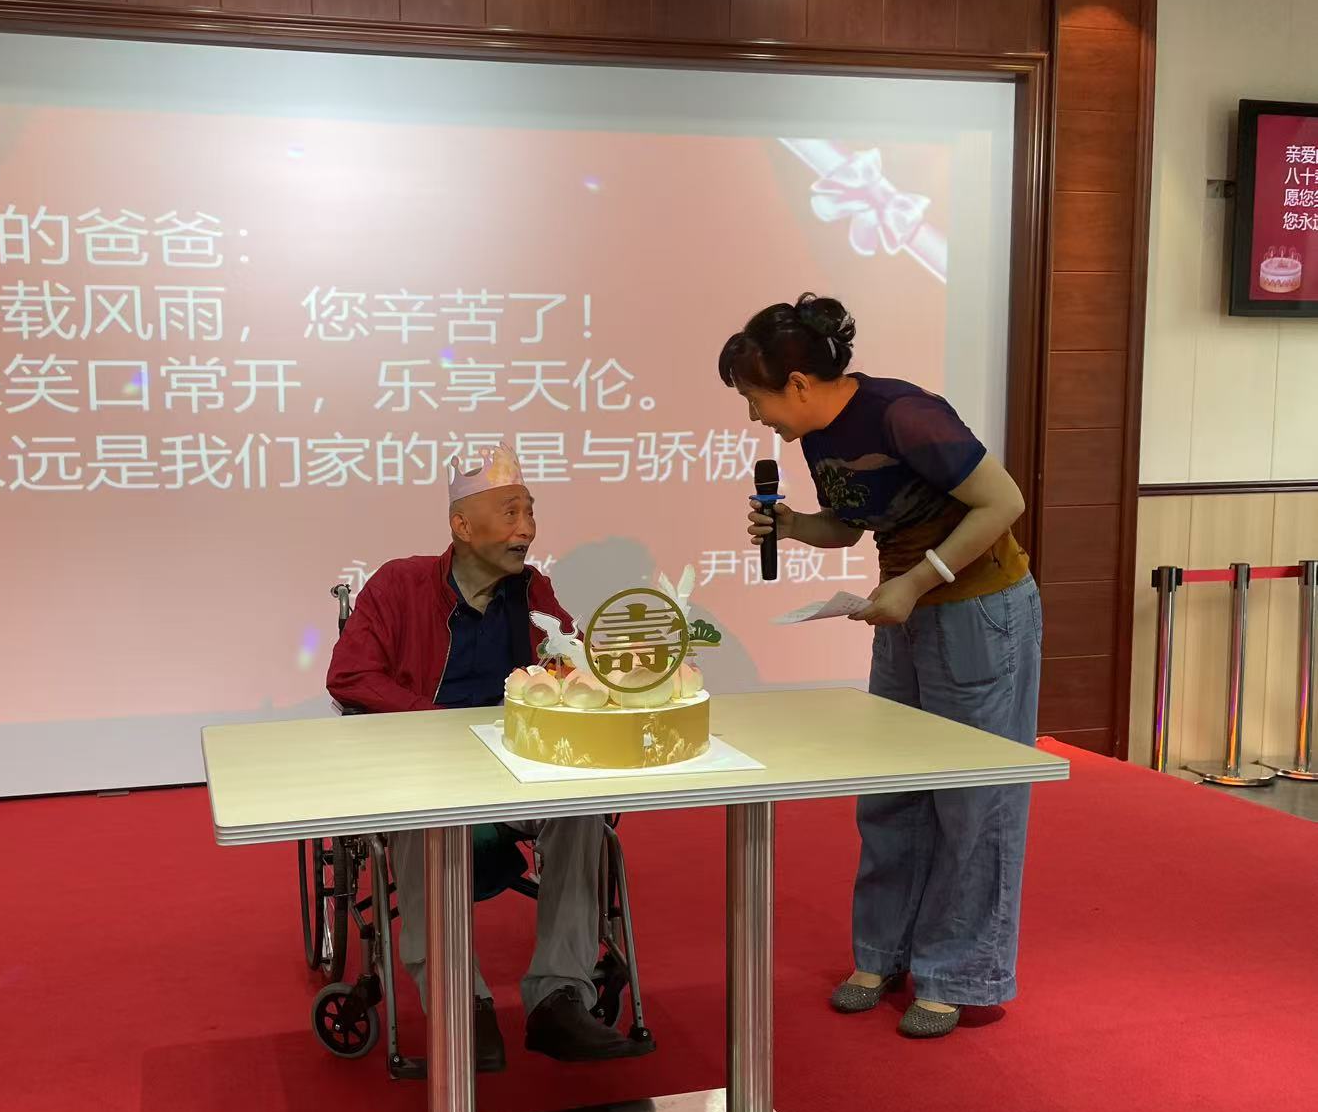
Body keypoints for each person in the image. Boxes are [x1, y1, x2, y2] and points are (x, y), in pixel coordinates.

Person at [719, 294, 1042, 1039]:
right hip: (906, 613)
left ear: (799, 383)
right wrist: (794, 526)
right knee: (892, 793)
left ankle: (958, 974)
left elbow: (1002, 502)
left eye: (756, 399)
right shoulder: (816, 435)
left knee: (972, 799)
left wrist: (918, 580)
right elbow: (852, 522)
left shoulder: (904, 413)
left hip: (980, 613)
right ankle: (883, 954)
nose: (756, 417)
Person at [325, 443, 652, 1067]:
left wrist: (604, 670)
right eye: (510, 513)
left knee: (581, 810)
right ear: (462, 525)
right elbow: (351, 675)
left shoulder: (533, 591)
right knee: (424, 821)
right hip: (429, 770)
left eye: (530, 512)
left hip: (516, 769)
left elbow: (571, 663)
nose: (526, 529)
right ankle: (461, 1004)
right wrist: (435, 722)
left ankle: (559, 998)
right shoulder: (399, 585)